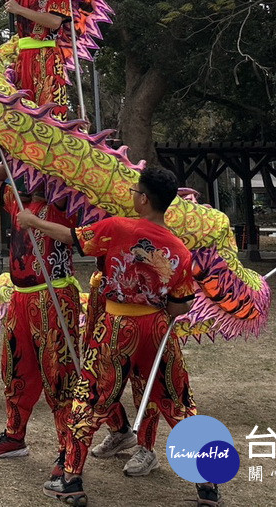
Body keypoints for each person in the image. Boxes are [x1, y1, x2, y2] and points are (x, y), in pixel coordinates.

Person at [21, 166, 220, 507]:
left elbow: (73, 237)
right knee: (179, 403)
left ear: (143, 199)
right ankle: (208, 483)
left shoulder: (118, 228)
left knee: (91, 399)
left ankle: (69, 480)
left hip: (116, 329)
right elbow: (180, 304)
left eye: (135, 194)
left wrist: (34, 222)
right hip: (158, 330)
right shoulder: (179, 249)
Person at [0, 162, 97, 463]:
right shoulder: (18, 202)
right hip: (20, 298)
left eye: (38, 172)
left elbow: (77, 237)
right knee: (16, 369)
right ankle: (15, 436)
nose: (31, 177)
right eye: (27, 171)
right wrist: (15, 152)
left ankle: (65, 449)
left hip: (54, 296)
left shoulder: (66, 202)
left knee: (60, 375)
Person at [3, 0, 91, 118]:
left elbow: (54, 22)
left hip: (46, 57)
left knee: (48, 114)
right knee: (21, 114)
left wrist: (19, 9)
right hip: (22, 58)